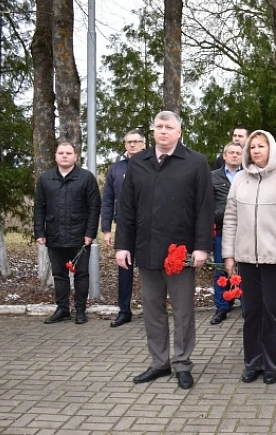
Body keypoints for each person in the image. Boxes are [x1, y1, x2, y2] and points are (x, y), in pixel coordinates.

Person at [115, 111, 215, 390]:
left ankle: (182, 363)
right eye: (158, 126)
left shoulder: (195, 163)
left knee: (183, 310)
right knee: (152, 309)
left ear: (179, 132)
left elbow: (204, 209)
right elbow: (126, 209)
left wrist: (201, 247)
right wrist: (123, 245)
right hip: (146, 249)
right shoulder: (138, 163)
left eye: (169, 127)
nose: (163, 131)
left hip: (180, 253)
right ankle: (159, 362)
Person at [223, 130, 276, 385]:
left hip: (275, 260)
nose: (256, 150)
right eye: (252, 147)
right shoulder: (240, 180)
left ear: (271, 149)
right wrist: (229, 254)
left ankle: (271, 364)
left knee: (272, 312)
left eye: (261, 146)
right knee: (251, 313)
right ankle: (252, 362)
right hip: (246, 258)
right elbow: (231, 218)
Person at [34, 141, 101, 325]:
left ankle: (80, 310)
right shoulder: (45, 179)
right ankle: (62, 309)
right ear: (55, 156)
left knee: (81, 274)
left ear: (75, 156)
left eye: (68, 153)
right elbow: (39, 207)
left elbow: (94, 207)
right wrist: (39, 231)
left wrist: (90, 233)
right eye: (61, 153)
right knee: (59, 275)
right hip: (54, 235)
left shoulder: (86, 178)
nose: (65, 156)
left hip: (79, 237)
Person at [101, 130, 146, 327]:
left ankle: (153, 309)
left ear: (144, 144)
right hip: (124, 226)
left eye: (136, 141)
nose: (133, 145)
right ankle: (124, 310)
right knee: (124, 270)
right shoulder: (116, 169)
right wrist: (106, 228)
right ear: (125, 145)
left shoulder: (152, 165)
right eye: (129, 142)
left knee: (151, 269)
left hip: (148, 225)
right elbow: (108, 200)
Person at [209, 142, 244, 325]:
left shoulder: (248, 175)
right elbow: (207, 203)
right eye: (231, 152)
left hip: (245, 231)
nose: (234, 155)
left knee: (244, 269)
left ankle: (247, 305)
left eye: (238, 153)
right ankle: (221, 307)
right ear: (224, 155)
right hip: (221, 231)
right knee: (221, 269)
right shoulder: (213, 177)